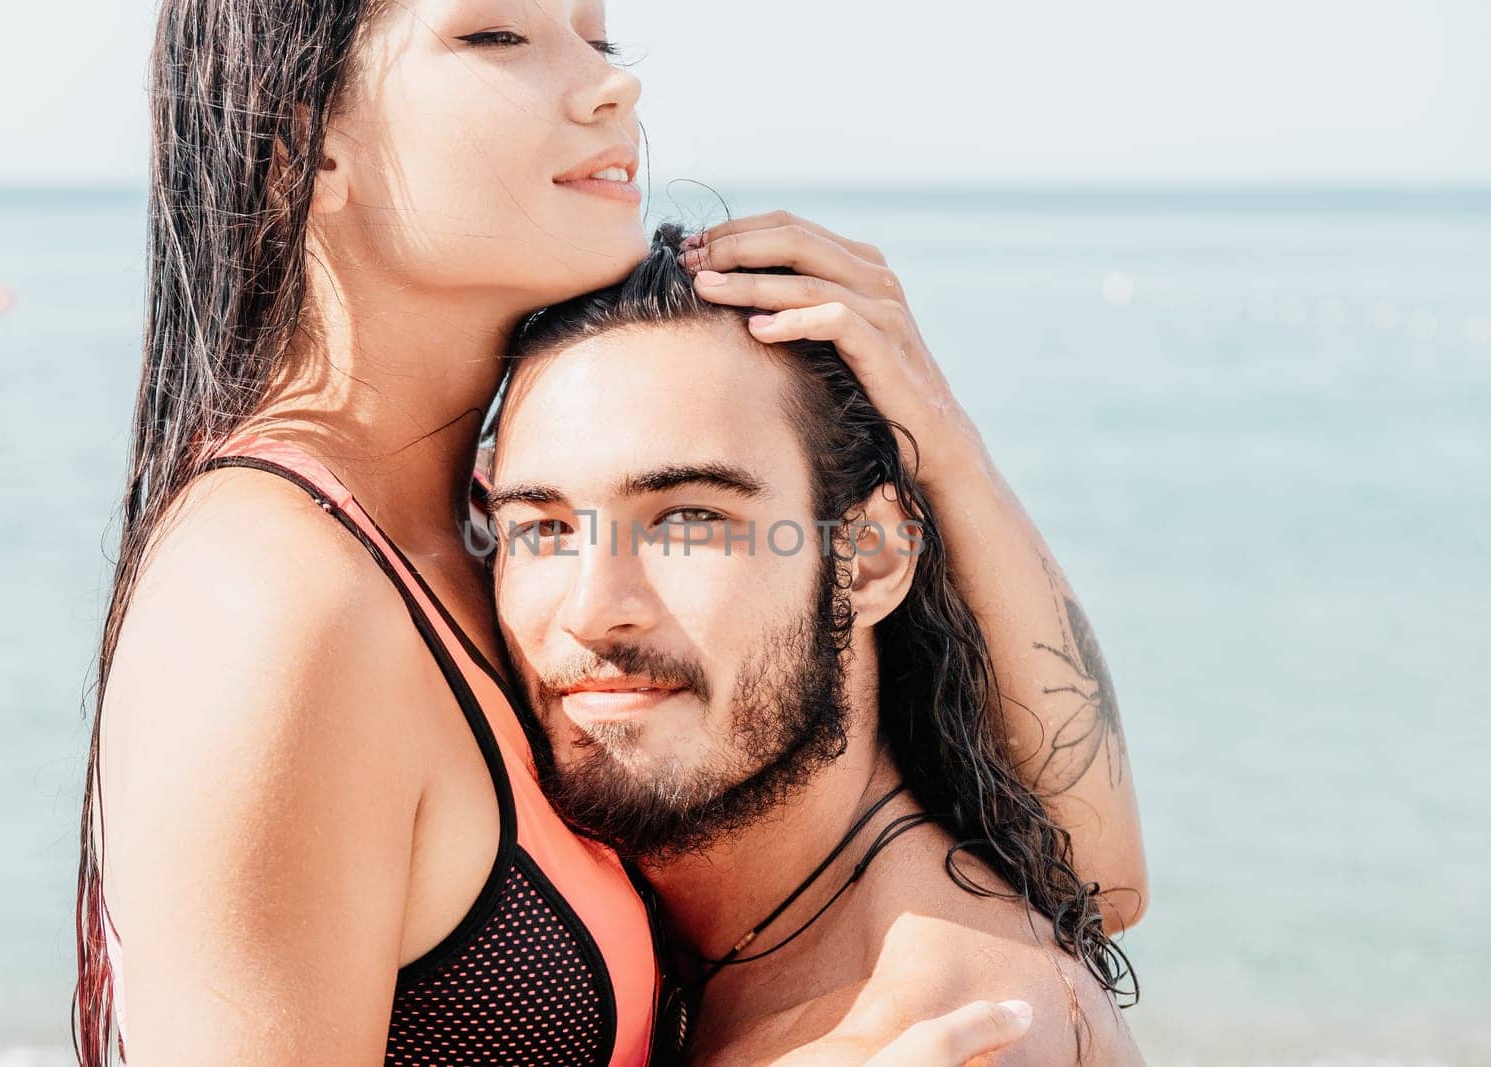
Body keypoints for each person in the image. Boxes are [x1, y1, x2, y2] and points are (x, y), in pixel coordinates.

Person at [75, 1, 1146, 1063]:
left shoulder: (485, 531)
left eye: (597, 37)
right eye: (496, 36)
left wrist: (937, 438)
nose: (611, 84)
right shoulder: (271, 596)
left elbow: (1092, 876)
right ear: (297, 147)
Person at [485, 224, 1143, 1064]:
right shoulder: (693, 936)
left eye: (689, 518)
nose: (591, 608)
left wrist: (946, 447)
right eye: (541, 527)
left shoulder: (956, 1033)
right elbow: (1105, 880)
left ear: (867, 558)